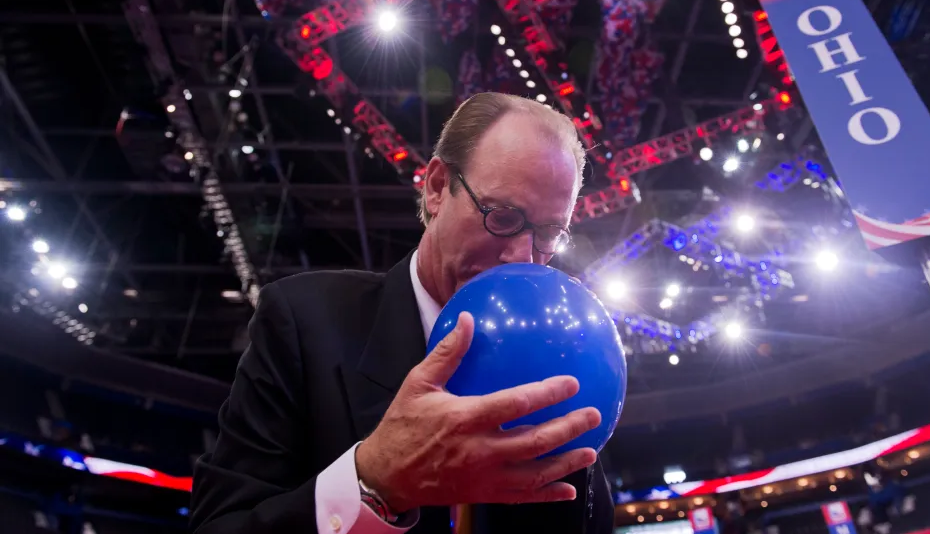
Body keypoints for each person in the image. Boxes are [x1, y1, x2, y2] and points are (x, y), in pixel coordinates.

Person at [190, 93, 616, 534]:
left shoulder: (561, 360)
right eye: (502, 218)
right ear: (435, 188)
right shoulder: (302, 321)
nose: (522, 257)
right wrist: (373, 482)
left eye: (548, 234)